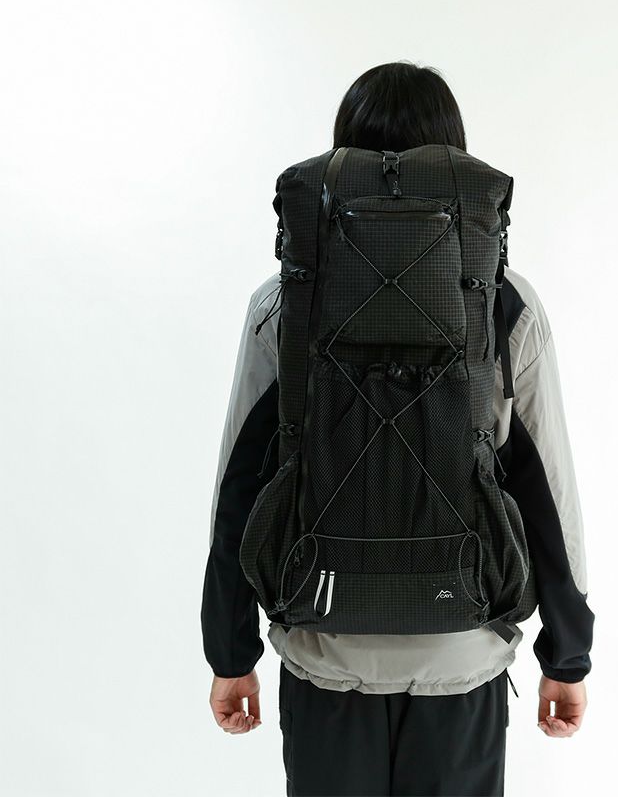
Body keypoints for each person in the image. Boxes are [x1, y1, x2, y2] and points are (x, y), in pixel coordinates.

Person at [201, 61, 595, 797]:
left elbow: (241, 483)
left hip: (323, 644)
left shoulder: (282, 302)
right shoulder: (506, 303)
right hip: (462, 650)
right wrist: (567, 654)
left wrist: (229, 651)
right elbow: (547, 485)